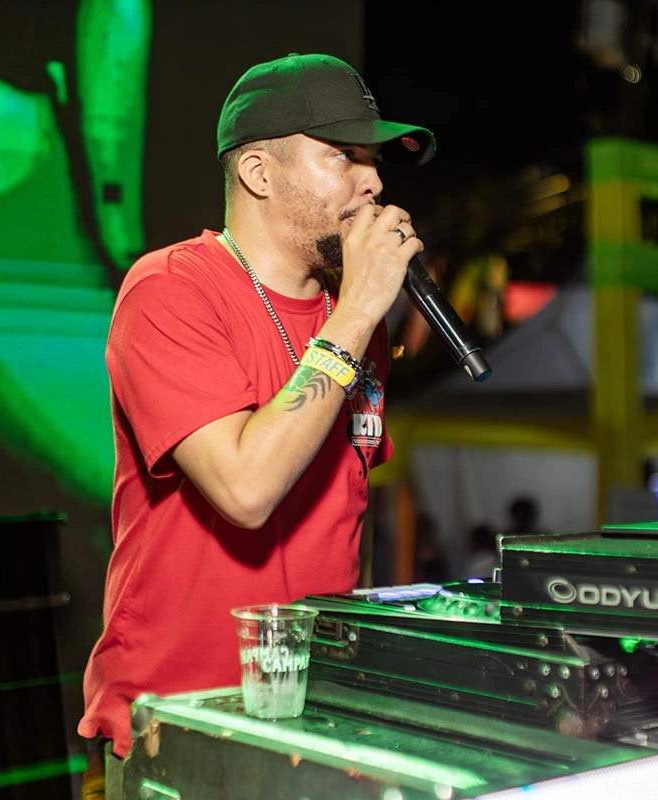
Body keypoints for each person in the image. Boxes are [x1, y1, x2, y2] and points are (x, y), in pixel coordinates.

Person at [77, 52, 436, 775]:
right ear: (258, 173)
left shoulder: (355, 321)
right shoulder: (171, 291)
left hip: (313, 721)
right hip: (179, 725)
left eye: (374, 161)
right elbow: (245, 490)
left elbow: (347, 509)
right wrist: (359, 313)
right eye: (344, 156)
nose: (372, 182)